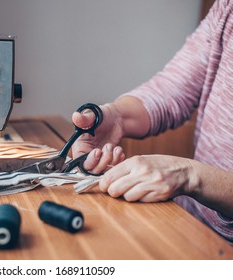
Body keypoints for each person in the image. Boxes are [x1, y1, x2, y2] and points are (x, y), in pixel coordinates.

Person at [72, 0, 233, 244]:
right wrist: (116, 117)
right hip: (190, 229)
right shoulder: (227, 7)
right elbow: (172, 88)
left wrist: (192, 176)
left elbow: (191, 176)